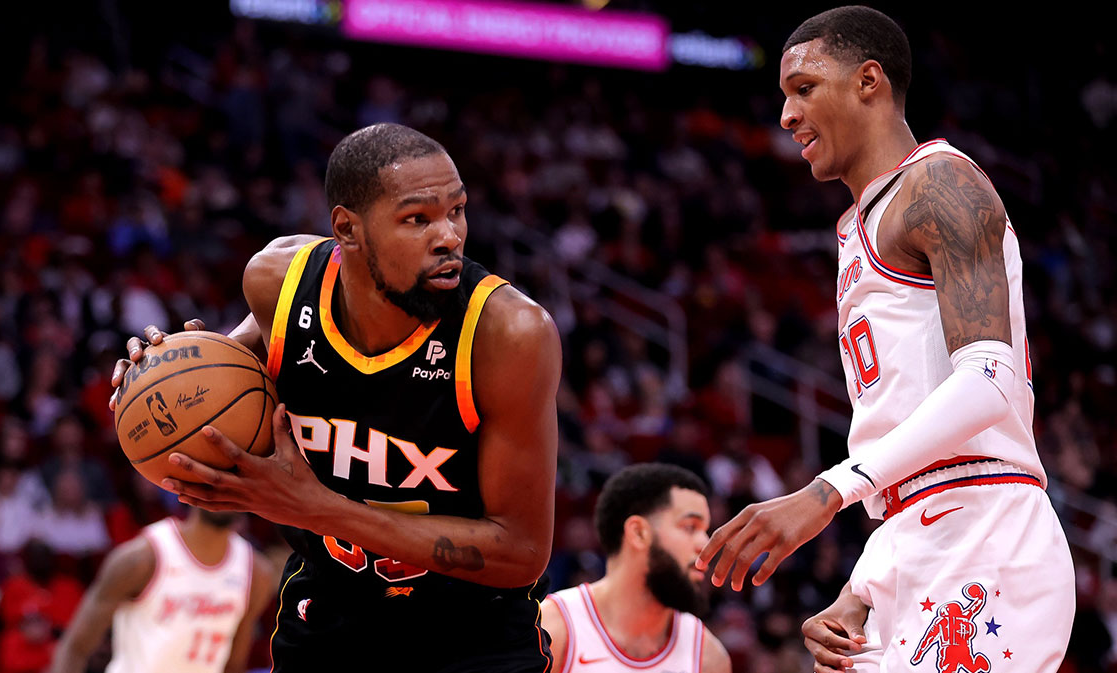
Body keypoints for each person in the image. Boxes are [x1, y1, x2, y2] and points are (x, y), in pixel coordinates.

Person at [694, 6, 1075, 672]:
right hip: (913, 532)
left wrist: (824, 492)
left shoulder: (940, 184)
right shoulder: (859, 226)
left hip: (987, 528)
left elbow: (990, 380)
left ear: (868, 81)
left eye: (803, 88)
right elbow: (899, 425)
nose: (785, 115)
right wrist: (865, 585)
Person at [110, 123, 561, 671]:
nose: (449, 236)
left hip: (473, 635)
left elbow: (522, 553)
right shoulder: (280, 285)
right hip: (329, 616)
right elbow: (211, 398)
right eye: (416, 218)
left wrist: (320, 509)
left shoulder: (508, 334)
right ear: (348, 228)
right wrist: (159, 372)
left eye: (457, 210)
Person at [542, 464, 730, 673]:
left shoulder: (708, 657)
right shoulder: (552, 630)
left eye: (706, 530)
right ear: (639, 533)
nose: (705, 544)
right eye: (690, 527)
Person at [50, 507, 275, 673]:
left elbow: (233, 665)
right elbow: (75, 648)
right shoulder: (142, 558)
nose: (223, 489)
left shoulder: (256, 573)